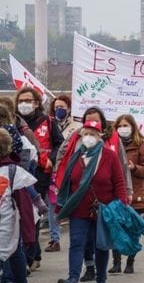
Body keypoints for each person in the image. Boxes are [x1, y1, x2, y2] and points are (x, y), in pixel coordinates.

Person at [56, 120, 127, 283]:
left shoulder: (109, 156)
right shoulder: (75, 157)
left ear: (100, 136)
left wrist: (121, 205)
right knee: (76, 242)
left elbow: (119, 182)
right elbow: (67, 182)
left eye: (92, 134)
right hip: (78, 209)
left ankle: (101, 278)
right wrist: (61, 206)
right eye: (86, 134)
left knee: (100, 245)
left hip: (103, 210)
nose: (88, 137)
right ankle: (72, 277)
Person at [15, 86, 64, 272]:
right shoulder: (15, 122)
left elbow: (59, 144)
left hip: (40, 174)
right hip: (17, 173)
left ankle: (29, 257)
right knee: (20, 215)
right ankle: (33, 253)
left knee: (32, 213)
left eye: (28, 100)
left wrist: (51, 159)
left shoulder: (48, 121)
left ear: (36, 103)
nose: (24, 104)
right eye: (21, 100)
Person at [106, 114, 144, 275]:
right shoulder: (110, 145)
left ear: (132, 127)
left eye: (126, 125)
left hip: (136, 194)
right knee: (115, 228)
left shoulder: (140, 145)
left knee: (132, 231)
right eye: (120, 126)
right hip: (115, 194)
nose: (123, 129)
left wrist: (134, 168)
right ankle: (116, 262)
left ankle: (130, 262)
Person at [45, 94, 82, 253]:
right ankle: (55, 239)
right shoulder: (50, 124)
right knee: (53, 205)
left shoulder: (77, 126)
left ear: (69, 109)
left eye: (62, 107)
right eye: (56, 107)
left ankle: (77, 235)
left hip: (72, 169)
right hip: (54, 170)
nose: (59, 110)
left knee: (73, 205)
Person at [0, 127, 37, 283]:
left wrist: (29, 235)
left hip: (7, 228)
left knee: (12, 257)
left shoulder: (13, 172)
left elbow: (25, 206)